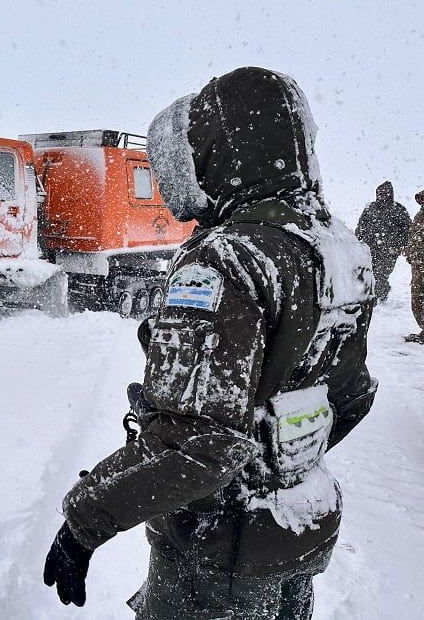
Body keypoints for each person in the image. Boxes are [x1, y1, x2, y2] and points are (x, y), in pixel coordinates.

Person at [43, 67, 377, 618]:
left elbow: (202, 449)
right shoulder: (340, 252)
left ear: (225, 150)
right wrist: (281, 451)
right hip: (298, 532)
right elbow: (353, 395)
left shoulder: (226, 262)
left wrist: (85, 518)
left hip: (216, 553)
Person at [355, 181, 411, 301]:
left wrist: (402, 245)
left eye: (385, 192)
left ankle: (379, 297)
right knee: (368, 272)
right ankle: (369, 295)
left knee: (381, 274)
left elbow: (407, 230)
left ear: (390, 194)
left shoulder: (398, 210)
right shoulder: (370, 207)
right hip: (369, 247)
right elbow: (361, 225)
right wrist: (356, 240)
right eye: (379, 192)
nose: (382, 194)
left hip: (389, 250)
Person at [405, 189, 424, 343]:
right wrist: (410, 252)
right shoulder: (419, 215)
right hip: (418, 266)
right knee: (417, 298)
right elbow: (415, 237)